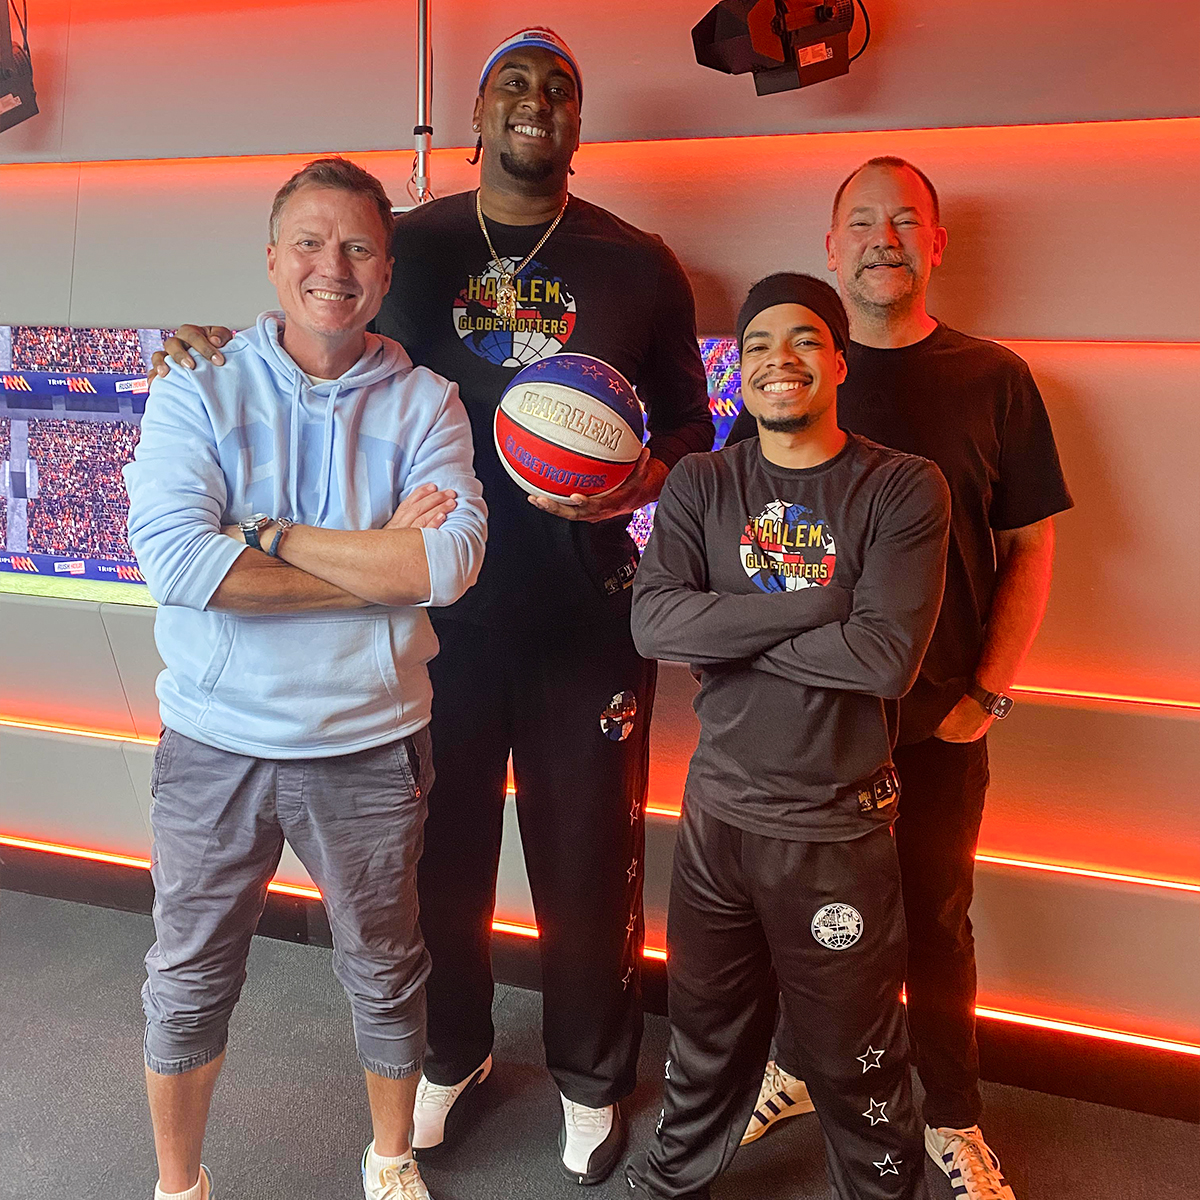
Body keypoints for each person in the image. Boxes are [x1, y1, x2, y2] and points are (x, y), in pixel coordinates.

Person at [149, 27, 714, 1185]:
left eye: (561, 87)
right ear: (476, 111)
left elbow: (690, 441)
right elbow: (312, 311)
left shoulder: (638, 262)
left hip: (582, 616)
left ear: (577, 120)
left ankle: (591, 1073)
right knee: (434, 866)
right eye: (515, 81)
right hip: (423, 631)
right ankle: (451, 1052)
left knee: (586, 854)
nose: (537, 101)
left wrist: (631, 481)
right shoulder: (407, 243)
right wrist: (192, 345)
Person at [125, 157, 487, 1200]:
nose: (335, 266)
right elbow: (183, 566)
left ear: (385, 269)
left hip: (370, 741)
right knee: (188, 978)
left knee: (384, 968)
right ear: (274, 258)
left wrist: (269, 534)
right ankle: (178, 1183)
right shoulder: (196, 379)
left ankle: (389, 1158)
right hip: (214, 740)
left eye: (361, 246)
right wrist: (375, 567)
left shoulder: (429, 403)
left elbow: (449, 567)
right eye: (312, 243)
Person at [728, 158, 1073, 1200]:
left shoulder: (995, 378)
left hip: (937, 723)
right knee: (801, 914)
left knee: (933, 918)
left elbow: (1030, 551)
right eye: (862, 221)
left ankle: (953, 1115)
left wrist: (988, 696)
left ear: (936, 244)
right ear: (832, 249)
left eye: (906, 220)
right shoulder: (787, 371)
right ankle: (792, 1064)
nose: (885, 236)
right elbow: (742, 536)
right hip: (806, 725)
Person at [626, 272, 949, 1200]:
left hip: (836, 831)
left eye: (805, 339)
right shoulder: (703, 479)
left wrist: (727, 624)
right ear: (741, 370)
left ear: (839, 361)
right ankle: (673, 1184)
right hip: (718, 820)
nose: (780, 359)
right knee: (702, 1035)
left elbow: (885, 658)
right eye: (760, 343)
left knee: (858, 1062)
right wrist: (825, 603)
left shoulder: (899, 487)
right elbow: (656, 627)